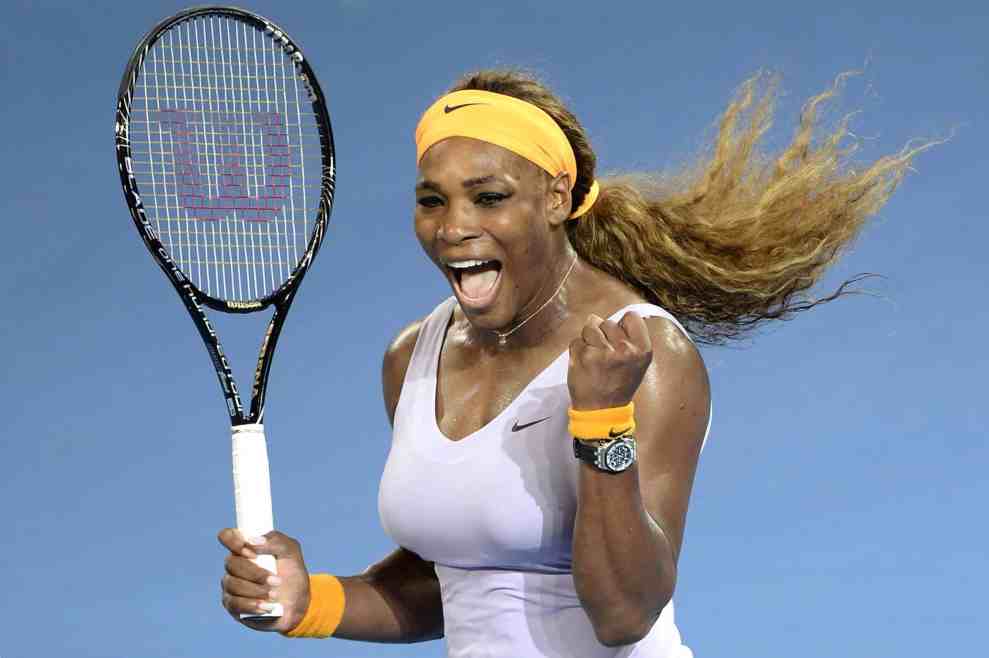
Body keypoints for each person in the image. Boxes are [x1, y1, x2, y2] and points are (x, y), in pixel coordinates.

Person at [217, 69, 929, 656]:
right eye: (432, 200)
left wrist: (600, 422)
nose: (453, 226)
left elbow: (624, 612)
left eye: (488, 197)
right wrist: (314, 602)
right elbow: (449, 579)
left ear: (556, 200)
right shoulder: (412, 358)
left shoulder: (647, 353)